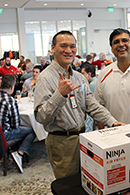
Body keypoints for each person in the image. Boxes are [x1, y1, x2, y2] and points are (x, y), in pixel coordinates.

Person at [34, 30, 124, 179]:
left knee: (87, 181)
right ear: (53, 48)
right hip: (62, 143)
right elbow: (41, 117)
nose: (68, 50)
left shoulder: (79, 78)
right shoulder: (45, 78)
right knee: (68, 188)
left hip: (84, 138)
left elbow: (92, 105)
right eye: (63, 46)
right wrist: (60, 94)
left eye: (72, 46)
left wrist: (112, 122)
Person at [0, 74, 36, 173]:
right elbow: (15, 125)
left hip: (1, 132)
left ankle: (13, 152)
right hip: (4, 135)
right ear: (12, 87)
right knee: (31, 130)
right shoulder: (10, 101)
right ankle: (19, 153)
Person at [81, 64, 97, 132]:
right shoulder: (95, 81)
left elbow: (85, 101)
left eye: (83, 73)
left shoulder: (92, 85)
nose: (81, 75)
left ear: (89, 74)